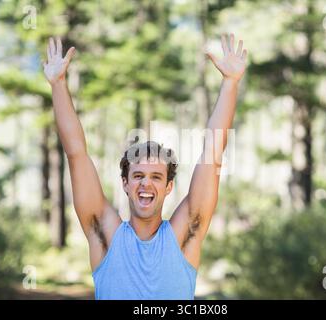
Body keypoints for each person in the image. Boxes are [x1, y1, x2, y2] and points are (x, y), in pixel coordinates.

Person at [43, 34, 247, 299]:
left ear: (168, 186)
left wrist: (230, 84)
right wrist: (58, 84)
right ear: (125, 183)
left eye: (155, 177)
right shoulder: (105, 235)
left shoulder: (185, 235)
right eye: (137, 175)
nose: (145, 184)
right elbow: (76, 154)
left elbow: (213, 154)